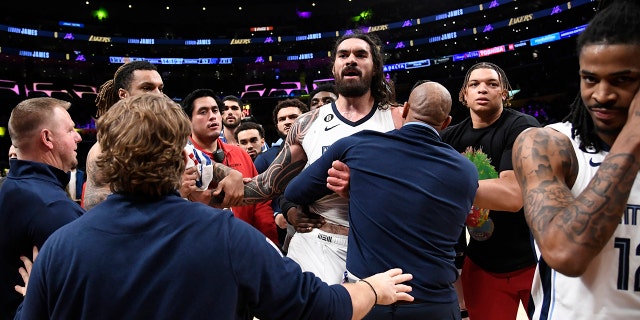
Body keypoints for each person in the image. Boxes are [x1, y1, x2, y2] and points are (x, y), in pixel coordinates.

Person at [13, 93, 415, 319]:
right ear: (183, 155)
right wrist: (371, 289)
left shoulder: (60, 249)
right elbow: (318, 308)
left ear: (108, 157)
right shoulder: (226, 236)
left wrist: (36, 296)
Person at [201, 31, 399, 285]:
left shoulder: (399, 120)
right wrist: (212, 177)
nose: (351, 60)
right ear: (334, 66)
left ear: (374, 68)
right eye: (343, 55)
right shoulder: (308, 123)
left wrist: (363, 188)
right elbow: (267, 186)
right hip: (318, 243)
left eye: (361, 55)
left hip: (379, 243)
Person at [285, 81, 478, 319]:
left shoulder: (357, 145)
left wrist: (358, 187)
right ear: (446, 122)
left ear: (405, 109)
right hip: (436, 303)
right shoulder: (466, 171)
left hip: (374, 301)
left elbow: (294, 192)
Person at [512, 1, 640, 318]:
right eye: (590, 79)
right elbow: (564, 252)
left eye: (622, 80)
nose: (601, 95)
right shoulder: (546, 143)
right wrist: (634, 135)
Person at [440, 62, 540, 320]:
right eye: (474, 84)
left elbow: (512, 196)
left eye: (491, 84)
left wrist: (445, 185)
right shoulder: (450, 138)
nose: (482, 89)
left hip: (532, 259)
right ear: (464, 95)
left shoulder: (522, 126)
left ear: (505, 93)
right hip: (482, 261)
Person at [82, 61, 242, 211]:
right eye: (147, 88)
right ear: (124, 95)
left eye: (160, 88)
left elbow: (204, 163)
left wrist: (231, 174)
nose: (158, 95)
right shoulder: (105, 148)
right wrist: (171, 194)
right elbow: (95, 207)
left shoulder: (167, 136)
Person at [0, 97, 84, 320]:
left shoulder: (8, 188)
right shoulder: (55, 209)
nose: (78, 136)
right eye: (70, 130)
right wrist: (37, 299)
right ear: (47, 138)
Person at [181, 88, 278, 244]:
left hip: (247, 246)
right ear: (188, 120)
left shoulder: (240, 153)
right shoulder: (179, 159)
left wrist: (269, 240)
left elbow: (260, 205)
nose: (212, 116)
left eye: (215, 110)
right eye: (203, 112)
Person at [254, 98, 309, 250]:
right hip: (283, 233)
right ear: (277, 125)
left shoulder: (322, 148)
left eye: (293, 117)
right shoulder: (265, 158)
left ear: (306, 118)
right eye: (282, 119)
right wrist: (276, 214)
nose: (287, 122)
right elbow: (259, 197)